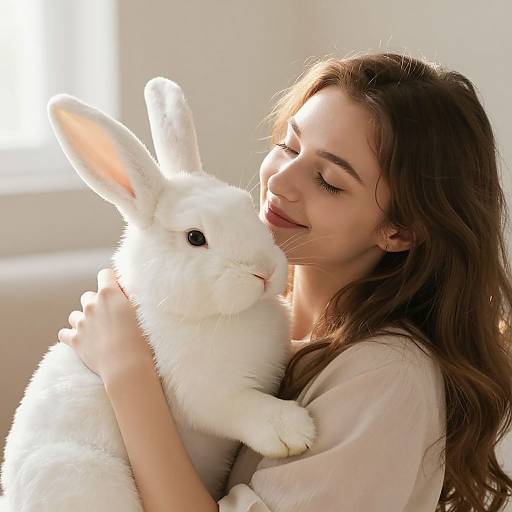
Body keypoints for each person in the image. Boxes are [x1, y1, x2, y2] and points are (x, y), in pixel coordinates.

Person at [58, 52, 512, 511]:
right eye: (289, 147)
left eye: (329, 180)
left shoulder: (386, 377)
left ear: (399, 231)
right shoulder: (254, 315)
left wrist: (128, 373)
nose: (282, 181)